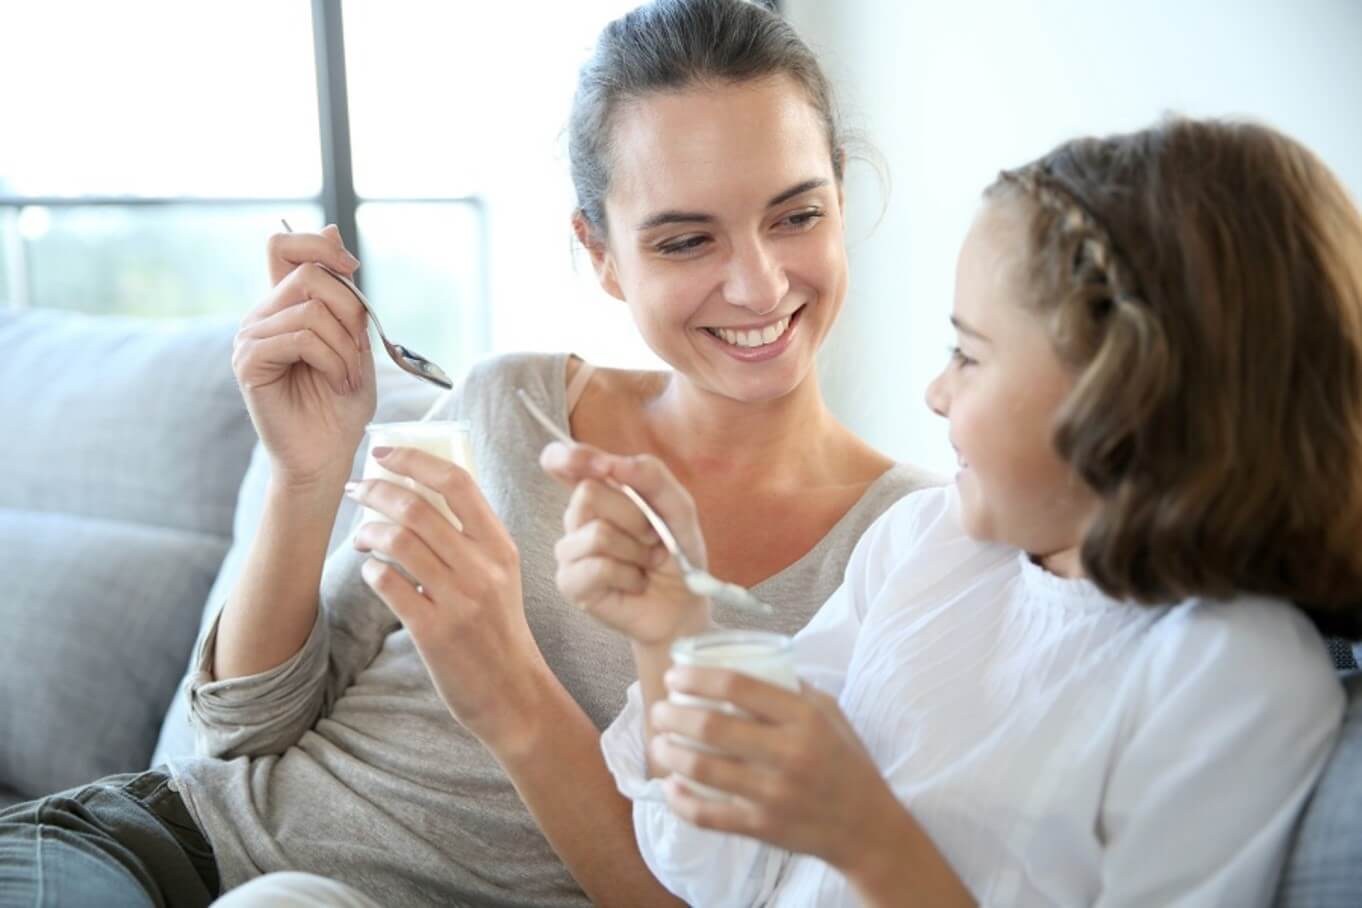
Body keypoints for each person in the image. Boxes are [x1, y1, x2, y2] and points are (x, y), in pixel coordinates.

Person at [0, 1, 937, 905]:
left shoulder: (913, 553)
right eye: (687, 239)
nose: (758, 282)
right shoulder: (505, 404)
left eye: (796, 216)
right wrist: (306, 476)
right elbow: (245, 726)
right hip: (158, 850)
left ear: (840, 196)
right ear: (601, 253)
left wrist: (504, 674)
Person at [555, 117, 1362, 906]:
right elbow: (717, 870)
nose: (935, 394)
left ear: (1129, 402)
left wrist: (866, 834)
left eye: (968, 355)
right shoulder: (923, 542)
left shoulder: (1233, 675)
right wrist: (674, 632)